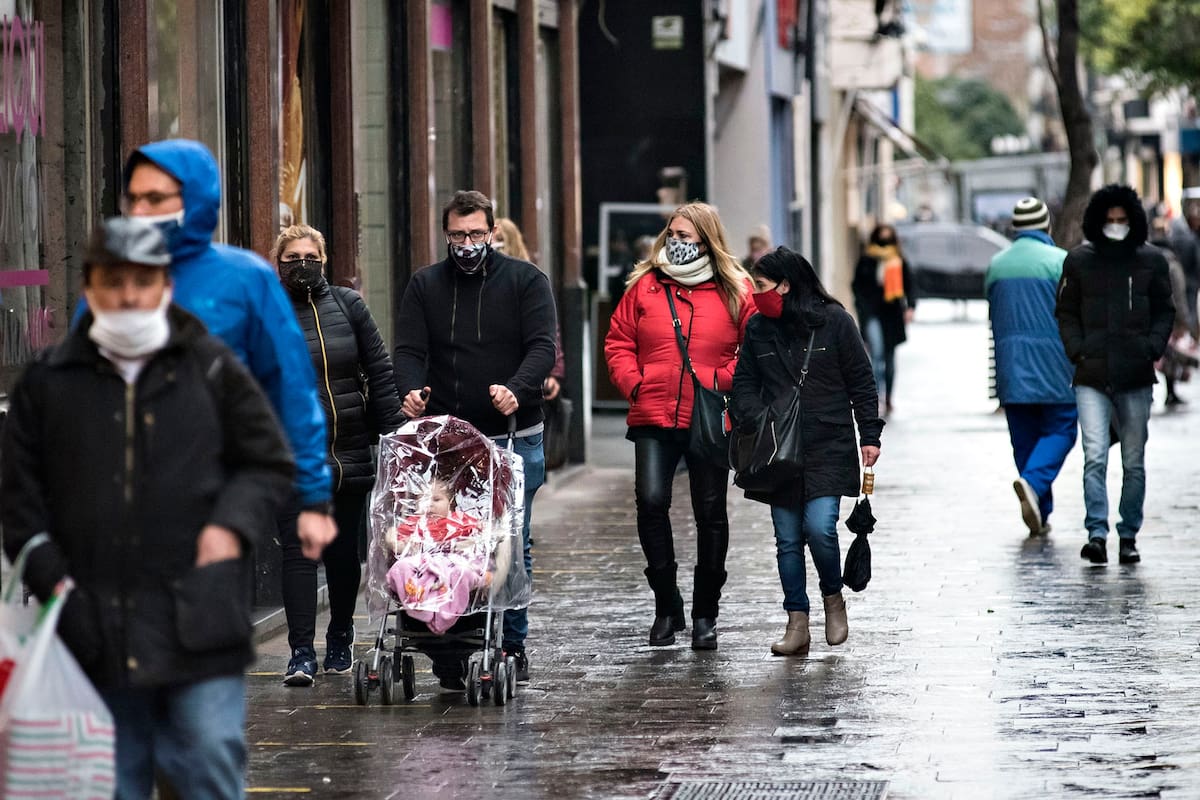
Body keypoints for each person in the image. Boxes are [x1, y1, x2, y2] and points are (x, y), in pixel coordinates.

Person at [1, 217, 294, 798]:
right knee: (114, 777)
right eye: (114, 281)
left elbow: (267, 461)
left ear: (165, 286)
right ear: (89, 288)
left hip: (199, 615)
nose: (129, 296)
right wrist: (51, 576)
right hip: (92, 621)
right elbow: (18, 499)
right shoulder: (48, 382)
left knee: (208, 758)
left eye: (143, 281)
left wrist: (231, 527)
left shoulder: (210, 366)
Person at [393, 190, 557, 686]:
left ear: (492, 233)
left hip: (512, 435)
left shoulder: (526, 282)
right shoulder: (425, 286)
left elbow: (543, 346)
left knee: (510, 541)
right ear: (446, 234)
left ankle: (511, 643)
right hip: (449, 439)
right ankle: (450, 642)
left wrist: (517, 389)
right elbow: (408, 349)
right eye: (458, 235)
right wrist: (410, 392)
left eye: (476, 234)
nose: (466, 243)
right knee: (447, 541)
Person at [604, 201, 754, 650]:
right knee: (650, 502)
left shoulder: (736, 289)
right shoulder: (645, 286)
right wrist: (635, 383)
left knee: (710, 514)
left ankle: (706, 612)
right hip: (653, 411)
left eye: (686, 236)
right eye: (673, 233)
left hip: (708, 414)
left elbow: (753, 348)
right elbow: (618, 341)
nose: (677, 242)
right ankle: (666, 606)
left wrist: (720, 380)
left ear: (707, 240)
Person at [271, 224, 405, 684]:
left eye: (310, 256)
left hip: (349, 450)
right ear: (279, 264)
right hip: (294, 455)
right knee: (298, 551)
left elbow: (381, 372)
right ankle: (300, 653)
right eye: (292, 258)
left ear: (323, 261)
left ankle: (341, 637)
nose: (301, 265)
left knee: (344, 553)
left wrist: (394, 437)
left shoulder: (349, 306)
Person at [730, 247, 882, 655]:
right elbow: (742, 383)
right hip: (777, 451)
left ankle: (833, 598)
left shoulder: (834, 322)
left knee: (819, 528)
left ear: (785, 284)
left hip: (827, 442)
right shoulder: (759, 329)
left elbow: (862, 382)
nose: (754, 295)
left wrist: (870, 434)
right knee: (786, 539)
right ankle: (797, 620)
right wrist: (759, 416)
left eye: (760, 286)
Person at [1056, 184, 1175, 565]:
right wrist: (1078, 350)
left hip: (1136, 374)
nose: (1115, 226)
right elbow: (1066, 312)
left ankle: (1128, 534)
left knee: (1134, 460)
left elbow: (1164, 310)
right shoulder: (1079, 262)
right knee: (1094, 456)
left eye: (1122, 220)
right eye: (1109, 220)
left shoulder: (1151, 262)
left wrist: (1151, 348)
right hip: (1091, 373)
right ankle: (1096, 532)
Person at [985, 197, 1078, 537]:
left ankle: (1041, 509)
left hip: (1011, 367)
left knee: (1025, 439)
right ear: (1046, 226)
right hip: (1055, 364)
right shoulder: (1061, 262)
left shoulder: (997, 265)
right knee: (1062, 430)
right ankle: (1035, 485)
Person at [852, 223, 916, 415]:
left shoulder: (898, 260)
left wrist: (911, 307)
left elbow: (910, 285)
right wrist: (862, 308)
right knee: (877, 354)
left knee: (889, 358)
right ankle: (876, 396)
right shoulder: (867, 259)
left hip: (892, 314)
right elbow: (857, 285)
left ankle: (888, 397)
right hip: (872, 313)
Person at [1149, 217, 1196, 407]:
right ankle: (1170, 391)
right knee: (1171, 358)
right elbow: (1179, 296)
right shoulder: (1173, 266)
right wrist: (1184, 323)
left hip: (1150, 319)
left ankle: (1151, 393)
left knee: (1154, 358)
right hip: (1170, 321)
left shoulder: (1147, 262)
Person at [1168, 200, 1200, 337]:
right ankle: (1190, 334)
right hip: (1190, 280)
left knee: (1179, 308)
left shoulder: (1174, 237)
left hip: (1179, 277)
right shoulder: (1191, 240)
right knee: (1190, 310)